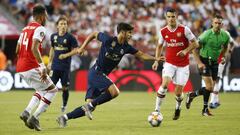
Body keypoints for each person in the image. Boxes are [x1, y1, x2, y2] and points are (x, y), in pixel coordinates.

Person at [56, 22, 165, 127]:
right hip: (96, 72)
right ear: (122, 32)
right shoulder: (108, 39)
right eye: (129, 33)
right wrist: (82, 47)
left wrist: (155, 58)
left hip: (98, 74)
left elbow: (140, 54)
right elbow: (94, 34)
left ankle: (64, 118)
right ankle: (89, 106)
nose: (131, 35)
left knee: (89, 106)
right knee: (114, 92)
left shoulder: (126, 47)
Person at [16, 4, 58, 131]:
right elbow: (34, 48)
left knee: (41, 89)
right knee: (52, 90)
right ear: (40, 16)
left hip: (20, 66)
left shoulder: (24, 29)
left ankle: (27, 112)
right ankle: (35, 117)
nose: (46, 18)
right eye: (45, 15)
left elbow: (17, 49)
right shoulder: (39, 28)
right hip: (30, 66)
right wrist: (42, 67)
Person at [152, 8, 199, 120]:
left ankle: (178, 107)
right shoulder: (163, 31)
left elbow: (195, 43)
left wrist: (185, 51)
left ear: (176, 16)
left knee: (178, 93)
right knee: (164, 85)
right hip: (169, 63)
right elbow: (159, 46)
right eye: (168, 17)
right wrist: (156, 60)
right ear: (166, 17)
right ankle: (156, 111)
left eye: (173, 16)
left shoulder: (184, 29)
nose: (171, 19)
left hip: (183, 65)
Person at [186, 14, 230, 116]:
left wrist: (222, 57)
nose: (217, 25)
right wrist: (199, 63)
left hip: (215, 62)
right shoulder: (206, 35)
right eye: (216, 23)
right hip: (204, 61)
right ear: (212, 23)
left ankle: (192, 95)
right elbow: (194, 48)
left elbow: (225, 47)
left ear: (222, 24)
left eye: (219, 23)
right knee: (209, 87)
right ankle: (205, 110)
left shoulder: (225, 35)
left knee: (210, 88)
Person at [47, 15, 79, 113]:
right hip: (55, 67)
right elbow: (52, 49)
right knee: (50, 87)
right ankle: (45, 104)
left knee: (65, 88)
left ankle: (64, 105)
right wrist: (49, 62)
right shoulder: (53, 36)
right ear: (57, 26)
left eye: (65, 24)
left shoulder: (70, 37)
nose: (63, 26)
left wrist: (66, 55)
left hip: (65, 68)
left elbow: (76, 50)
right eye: (61, 24)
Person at [198, 32, 235, 109]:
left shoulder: (225, 34)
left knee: (216, 79)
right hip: (210, 60)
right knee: (214, 80)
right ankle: (214, 100)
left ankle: (212, 101)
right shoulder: (207, 34)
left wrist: (229, 50)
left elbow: (232, 43)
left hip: (220, 60)